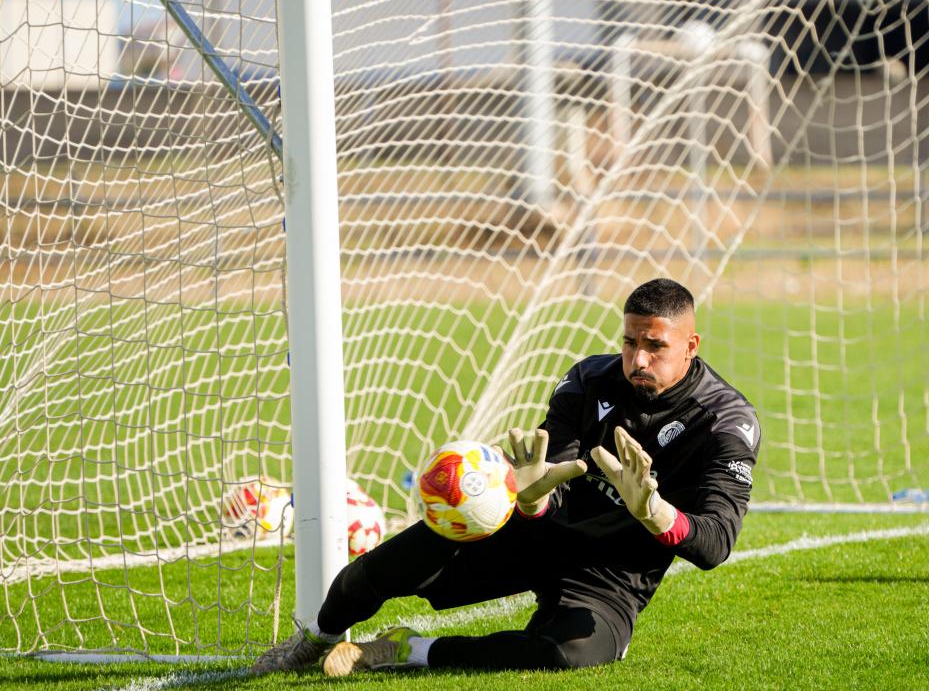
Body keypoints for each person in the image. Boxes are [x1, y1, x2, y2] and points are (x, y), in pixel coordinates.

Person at [252, 277, 760, 676]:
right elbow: (547, 480)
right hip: (538, 533)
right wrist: (535, 499)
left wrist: (654, 512)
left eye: (655, 346)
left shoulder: (726, 423)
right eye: (629, 342)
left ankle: (409, 649)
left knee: (569, 654)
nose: (637, 359)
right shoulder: (590, 379)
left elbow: (715, 544)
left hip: (613, 573)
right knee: (394, 562)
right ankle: (316, 637)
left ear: (691, 345)